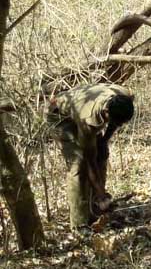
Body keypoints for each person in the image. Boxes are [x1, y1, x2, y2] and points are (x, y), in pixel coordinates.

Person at [48, 83, 134, 229]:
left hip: (82, 107)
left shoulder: (124, 97)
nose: (116, 125)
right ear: (106, 112)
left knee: (102, 153)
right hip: (60, 116)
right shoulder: (89, 118)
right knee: (79, 165)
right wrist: (101, 192)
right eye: (113, 121)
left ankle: (97, 209)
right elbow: (89, 159)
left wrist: (104, 140)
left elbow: (114, 123)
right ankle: (80, 223)